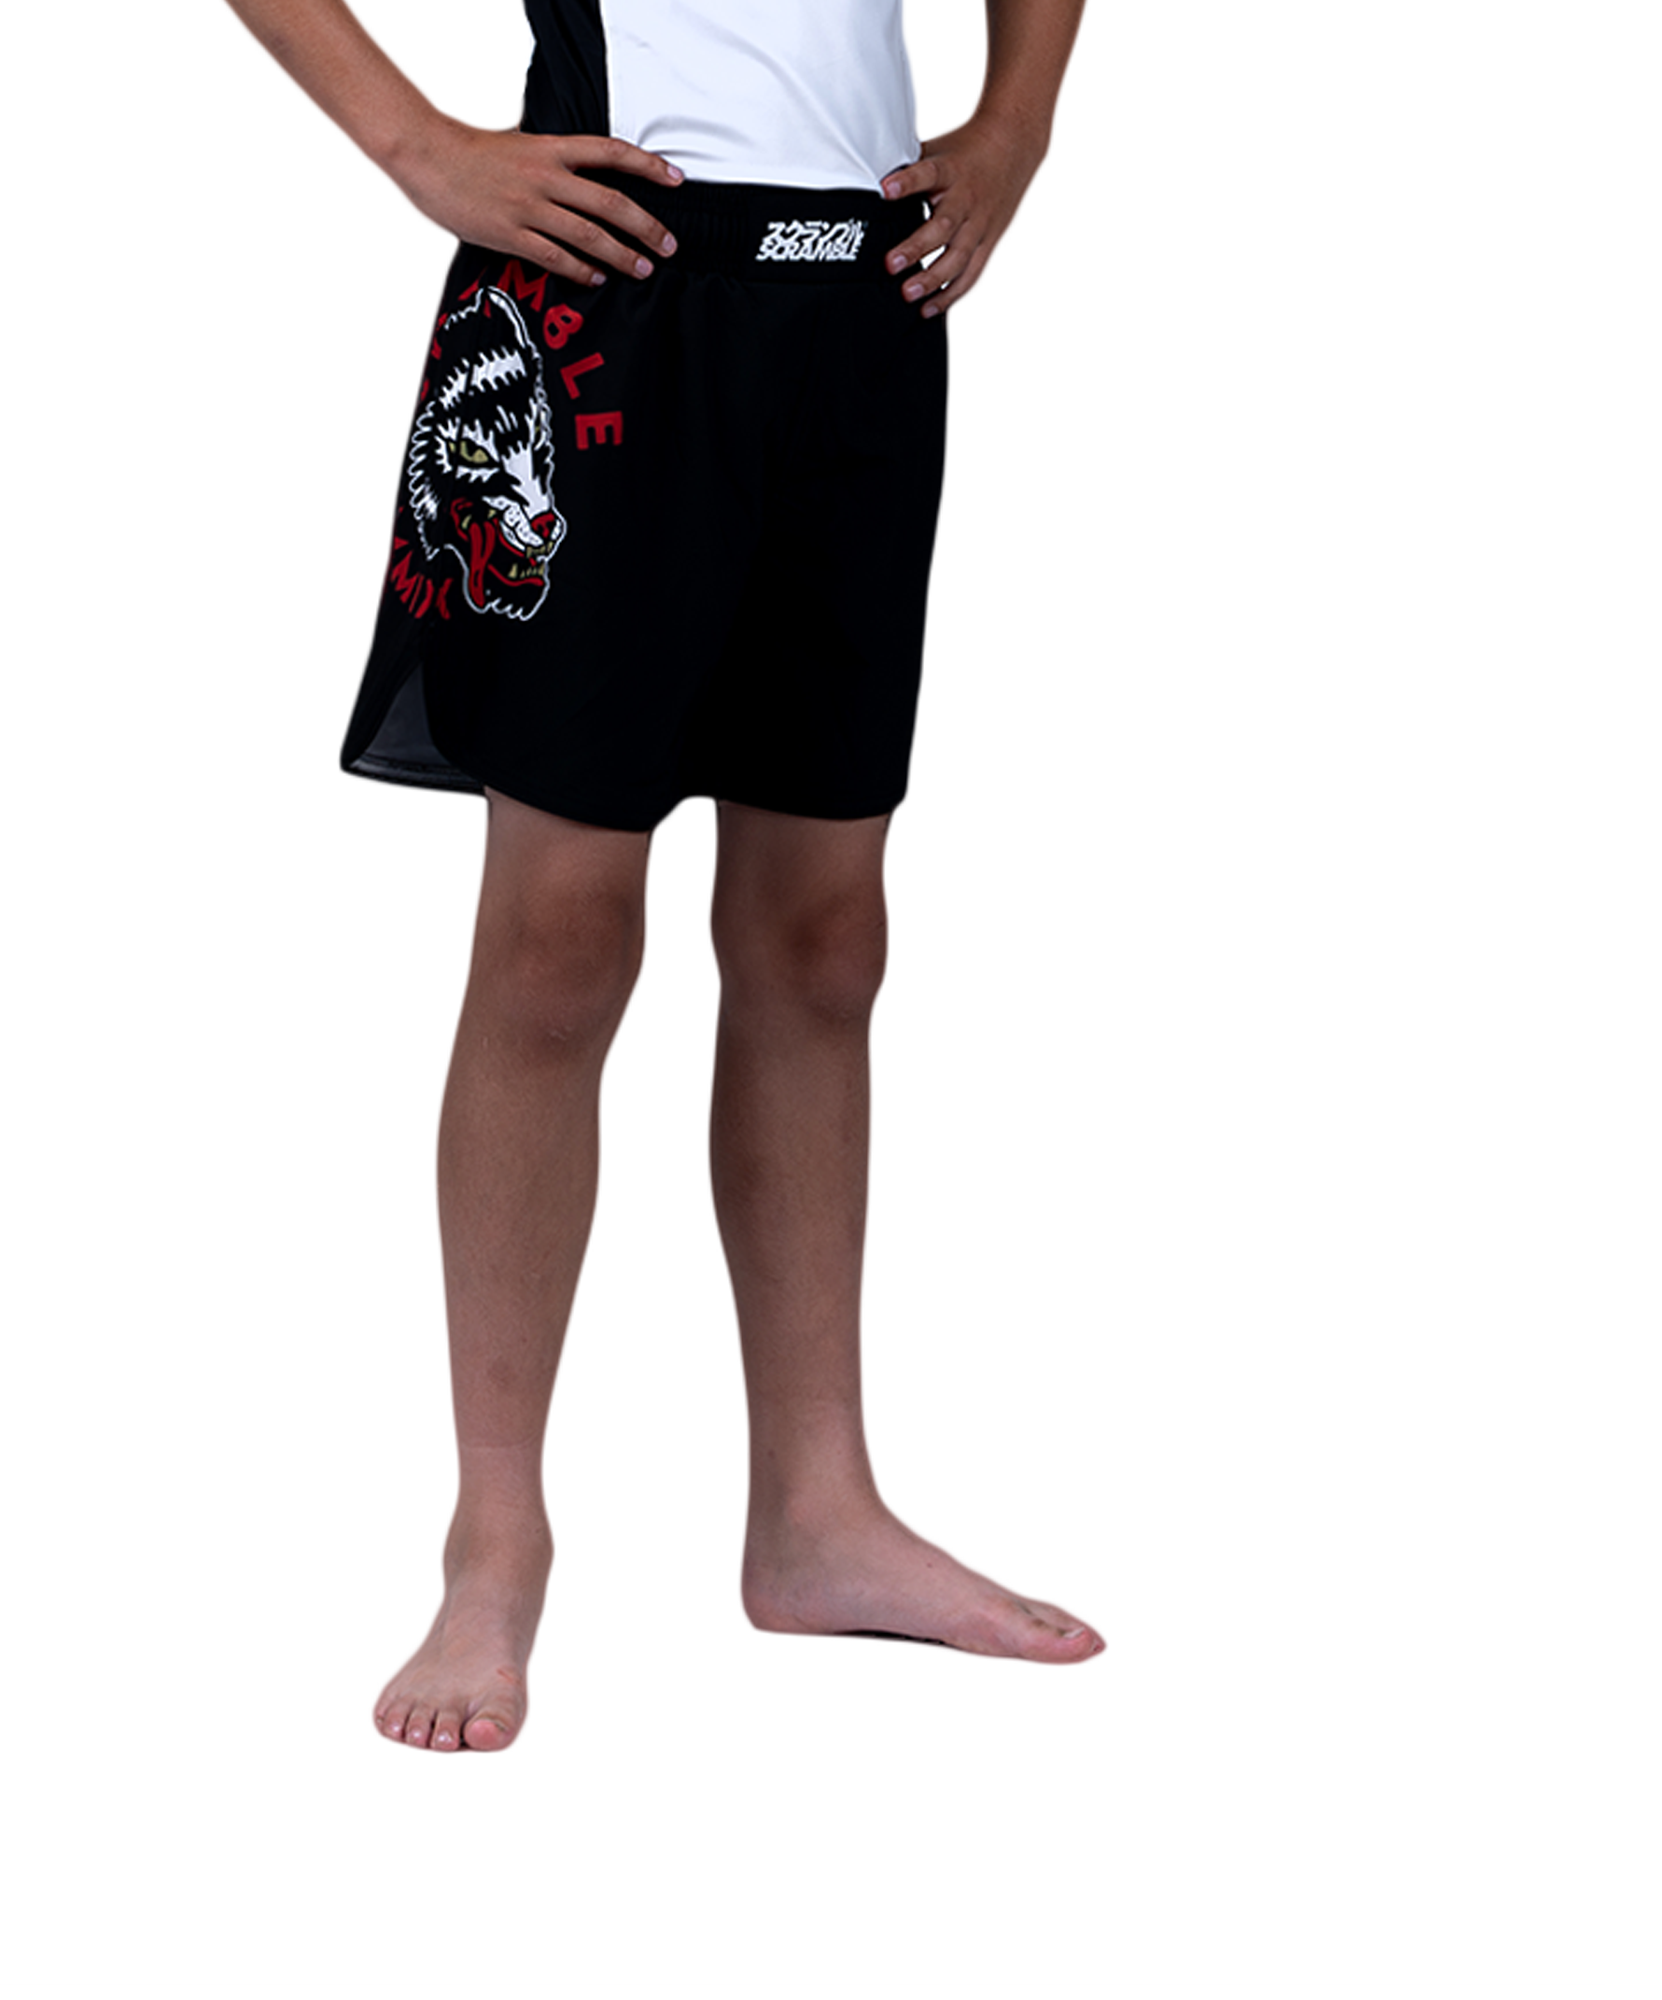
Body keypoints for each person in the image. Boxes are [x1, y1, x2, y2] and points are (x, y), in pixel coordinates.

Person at [216, 0, 1109, 1756]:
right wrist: (414, 143)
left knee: (825, 937)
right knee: (558, 937)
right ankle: (493, 1540)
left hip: (865, 295)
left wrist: (1019, 118)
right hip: (612, 288)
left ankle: (817, 1507)